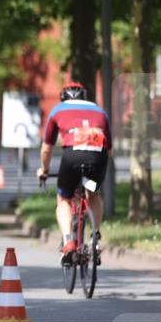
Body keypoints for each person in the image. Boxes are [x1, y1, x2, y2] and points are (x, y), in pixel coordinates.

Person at [35, 82, 113, 267]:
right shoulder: (100, 111)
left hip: (72, 157)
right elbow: (109, 150)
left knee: (63, 199)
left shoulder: (57, 110)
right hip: (97, 157)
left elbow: (47, 149)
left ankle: (68, 241)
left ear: (63, 97)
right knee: (93, 193)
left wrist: (44, 170)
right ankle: (95, 239)